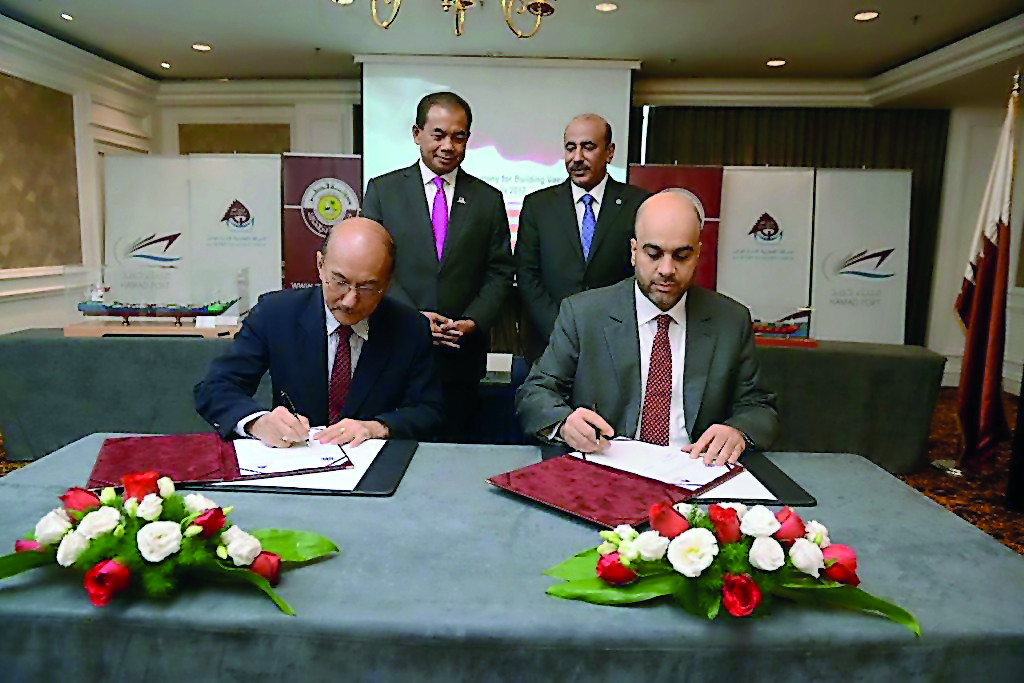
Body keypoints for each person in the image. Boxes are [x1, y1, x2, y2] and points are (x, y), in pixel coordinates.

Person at [515, 189, 778, 465]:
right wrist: (565, 423)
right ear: (634, 252)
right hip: (608, 472)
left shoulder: (730, 321)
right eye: (654, 254)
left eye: (681, 256)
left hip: (697, 473)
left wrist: (738, 431)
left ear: (698, 254)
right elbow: (535, 393)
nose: (666, 269)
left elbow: (760, 407)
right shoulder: (583, 315)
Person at [194, 217, 444, 448]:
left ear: (387, 283)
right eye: (339, 281)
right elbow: (216, 387)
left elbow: (430, 411)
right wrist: (257, 422)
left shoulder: (409, 328)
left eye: (367, 287)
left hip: (376, 468)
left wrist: (376, 427)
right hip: (295, 461)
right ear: (320, 265)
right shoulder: (276, 314)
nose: (349, 300)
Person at [362, 91, 514, 441]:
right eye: (438, 134)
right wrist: (413, 317)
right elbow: (372, 265)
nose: (448, 145)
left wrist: (473, 321)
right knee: (394, 445)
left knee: (456, 449)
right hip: (395, 344)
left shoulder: (488, 199)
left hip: (460, 354)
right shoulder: (383, 191)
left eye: (458, 137)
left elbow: (500, 270)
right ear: (417, 133)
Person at [515, 114, 651, 361]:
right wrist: (561, 329)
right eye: (570, 148)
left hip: (614, 343)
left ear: (609, 152)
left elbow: (640, 275)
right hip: (549, 344)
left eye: (588, 147)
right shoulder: (538, 205)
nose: (577, 158)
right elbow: (527, 275)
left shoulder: (638, 204)